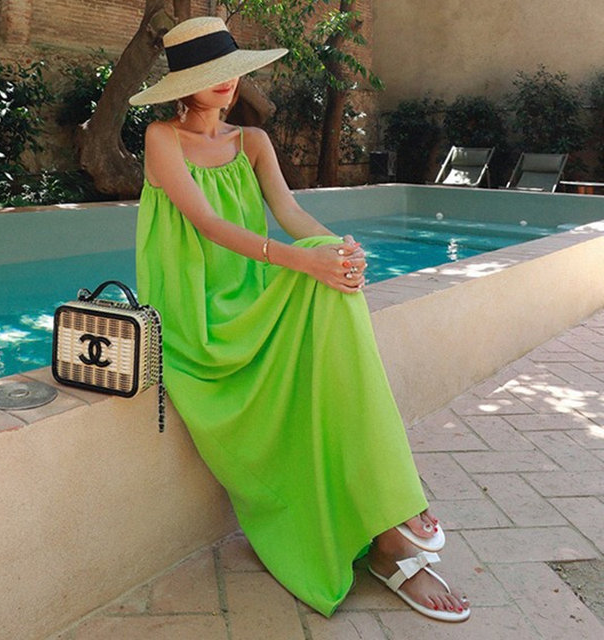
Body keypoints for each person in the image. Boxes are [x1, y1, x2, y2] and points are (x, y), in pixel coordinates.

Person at [130, 16, 470, 622]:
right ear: (183, 83)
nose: (227, 83)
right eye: (212, 74)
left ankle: (391, 522)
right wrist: (304, 261)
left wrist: (339, 248)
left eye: (232, 71)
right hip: (196, 317)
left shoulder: (252, 142)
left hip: (254, 292)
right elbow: (209, 224)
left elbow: (289, 213)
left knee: (333, 280)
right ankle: (393, 522)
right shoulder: (162, 138)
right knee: (318, 276)